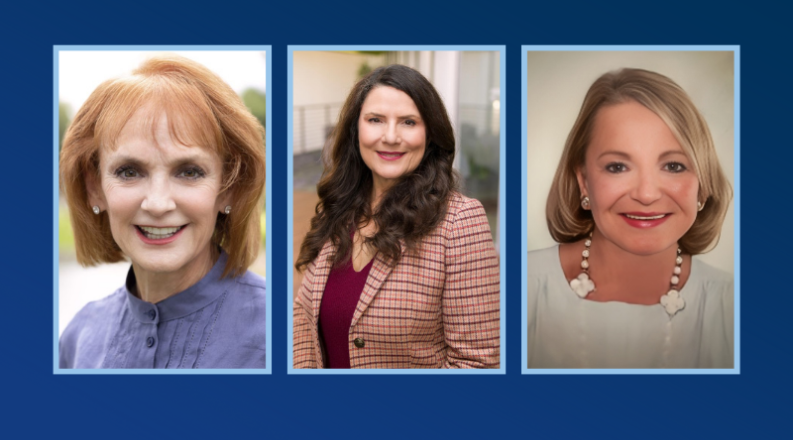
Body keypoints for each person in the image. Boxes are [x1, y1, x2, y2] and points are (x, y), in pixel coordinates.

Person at [59, 55, 267, 369]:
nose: (157, 204)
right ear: (94, 187)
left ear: (229, 186)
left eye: (189, 172)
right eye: (129, 172)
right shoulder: (77, 338)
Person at [293, 64, 500, 369]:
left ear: (429, 134)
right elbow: (303, 318)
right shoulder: (342, 208)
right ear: (356, 129)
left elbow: (476, 363)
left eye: (408, 122)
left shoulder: (460, 222)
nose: (390, 136)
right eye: (375, 120)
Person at [527, 68, 733, 369]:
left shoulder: (733, 305)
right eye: (617, 167)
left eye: (674, 166)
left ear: (702, 183)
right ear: (584, 182)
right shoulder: (515, 286)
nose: (646, 194)